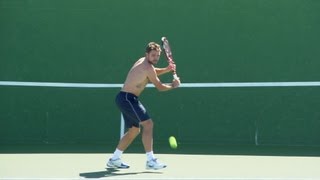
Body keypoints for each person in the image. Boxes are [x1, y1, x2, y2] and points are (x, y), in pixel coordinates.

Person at [107, 42, 181, 170]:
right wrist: (173, 85)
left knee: (134, 130)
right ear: (147, 54)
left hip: (125, 98)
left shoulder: (144, 62)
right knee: (148, 124)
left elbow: (152, 72)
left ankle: (114, 159)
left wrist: (166, 69)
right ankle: (150, 160)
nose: (156, 58)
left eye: (158, 55)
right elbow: (160, 87)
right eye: (153, 55)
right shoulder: (147, 67)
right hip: (127, 98)